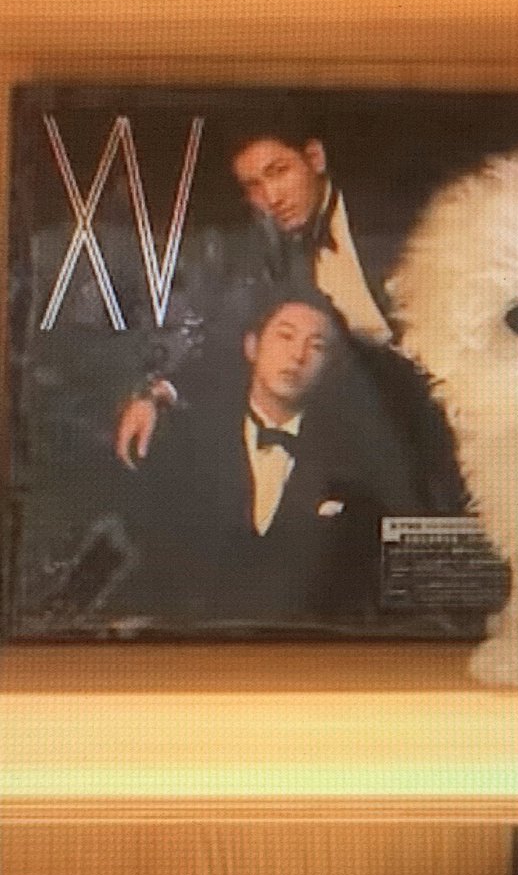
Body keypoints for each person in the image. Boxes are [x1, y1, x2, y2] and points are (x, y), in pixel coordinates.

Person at [114, 112, 466, 515]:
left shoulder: (393, 216)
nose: (272, 198)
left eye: (278, 172)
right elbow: (237, 338)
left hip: (468, 392)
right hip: (389, 421)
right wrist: (158, 394)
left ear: (314, 158)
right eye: (254, 186)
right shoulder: (276, 256)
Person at [132, 295, 393, 623]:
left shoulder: (352, 463)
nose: (297, 355)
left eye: (317, 346)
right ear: (252, 347)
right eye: (285, 336)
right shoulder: (187, 444)